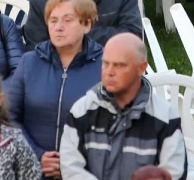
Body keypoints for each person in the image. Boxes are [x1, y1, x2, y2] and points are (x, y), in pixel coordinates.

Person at [60, 33, 185, 180]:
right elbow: (70, 169)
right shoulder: (80, 112)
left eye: (119, 65)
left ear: (141, 68)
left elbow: (174, 173)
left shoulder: (166, 116)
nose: (109, 72)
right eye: (105, 63)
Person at [6, 0, 104, 175]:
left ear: (87, 25)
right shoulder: (29, 62)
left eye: (67, 20)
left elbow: (117, 123)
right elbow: (9, 117)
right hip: (33, 168)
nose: (59, 27)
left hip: (88, 171)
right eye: (53, 21)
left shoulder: (106, 66)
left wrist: (73, 163)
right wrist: (37, 155)